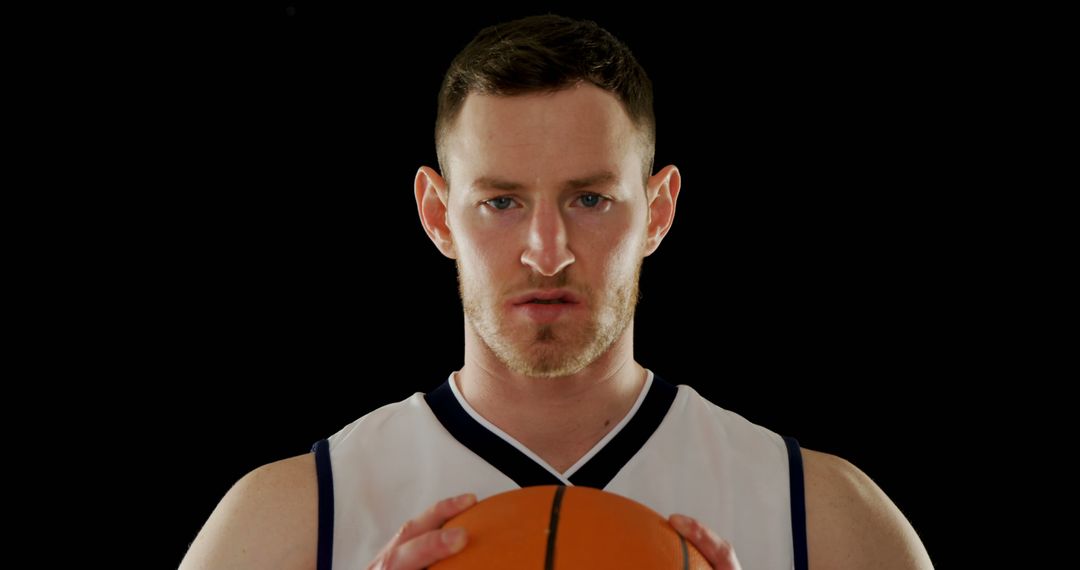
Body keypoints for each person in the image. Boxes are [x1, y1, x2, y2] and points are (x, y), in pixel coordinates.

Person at [180, 14, 933, 570]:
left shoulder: (825, 520)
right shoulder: (290, 523)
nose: (547, 252)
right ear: (438, 214)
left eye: (590, 199)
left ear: (658, 212)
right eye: (501, 202)